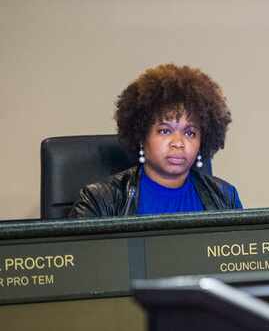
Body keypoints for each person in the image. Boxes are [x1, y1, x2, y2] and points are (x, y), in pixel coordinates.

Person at [68, 64, 242, 218]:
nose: (178, 143)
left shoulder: (225, 197)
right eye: (165, 131)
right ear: (141, 135)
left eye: (190, 133)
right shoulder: (99, 200)